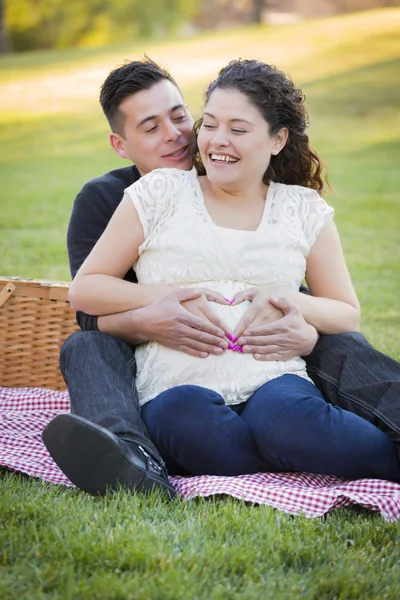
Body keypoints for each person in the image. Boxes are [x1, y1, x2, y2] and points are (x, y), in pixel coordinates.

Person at [42, 58, 400, 496]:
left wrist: (298, 319)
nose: (178, 135)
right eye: (151, 127)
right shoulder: (131, 196)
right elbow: (87, 302)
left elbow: (334, 309)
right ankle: (131, 459)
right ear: (121, 144)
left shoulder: (296, 206)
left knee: (302, 397)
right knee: (137, 383)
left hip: (269, 363)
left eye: (181, 117)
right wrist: (153, 312)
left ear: (277, 139)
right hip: (167, 367)